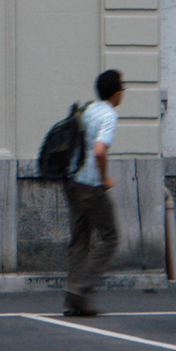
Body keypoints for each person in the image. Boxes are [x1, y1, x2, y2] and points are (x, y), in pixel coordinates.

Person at [64, 68, 124, 317]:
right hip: (91, 184)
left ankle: (73, 298)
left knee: (80, 240)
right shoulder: (109, 115)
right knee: (110, 238)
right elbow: (100, 150)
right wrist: (105, 178)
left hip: (72, 180)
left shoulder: (88, 109)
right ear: (116, 92)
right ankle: (80, 290)